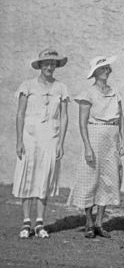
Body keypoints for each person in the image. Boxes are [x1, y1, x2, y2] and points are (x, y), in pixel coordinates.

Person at [13, 49, 69, 239]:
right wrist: (19, 140)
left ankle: (39, 223)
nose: (49, 67)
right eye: (46, 63)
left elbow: (64, 116)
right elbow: (20, 114)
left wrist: (61, 142)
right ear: (40, 65)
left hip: (50, 138)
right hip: (30, 137)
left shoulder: (61, 88)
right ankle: (26, 222)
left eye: (53, 63)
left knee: (44, 177)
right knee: (27, 175)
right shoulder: (27, 86)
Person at [68, 55, 124, 239]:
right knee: (89, 179)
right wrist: (87, 147)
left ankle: (100, 223)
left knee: (108, 180)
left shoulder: (115, 92)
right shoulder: (87, 94)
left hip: (111, 138)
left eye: (108, 68)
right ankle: (88, 221)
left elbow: (121, 118)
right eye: (103, 68)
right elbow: (82, 123)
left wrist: (123, 140)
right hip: (94, 137)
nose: (107, 71)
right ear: (95, 73)